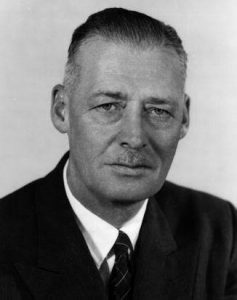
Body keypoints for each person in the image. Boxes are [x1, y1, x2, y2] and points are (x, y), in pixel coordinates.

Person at [0, 7, 236, 300]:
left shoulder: (219, 230)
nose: (135, 138)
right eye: (108, 106)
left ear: (184, 118)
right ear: (62, 110)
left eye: (159, 111)